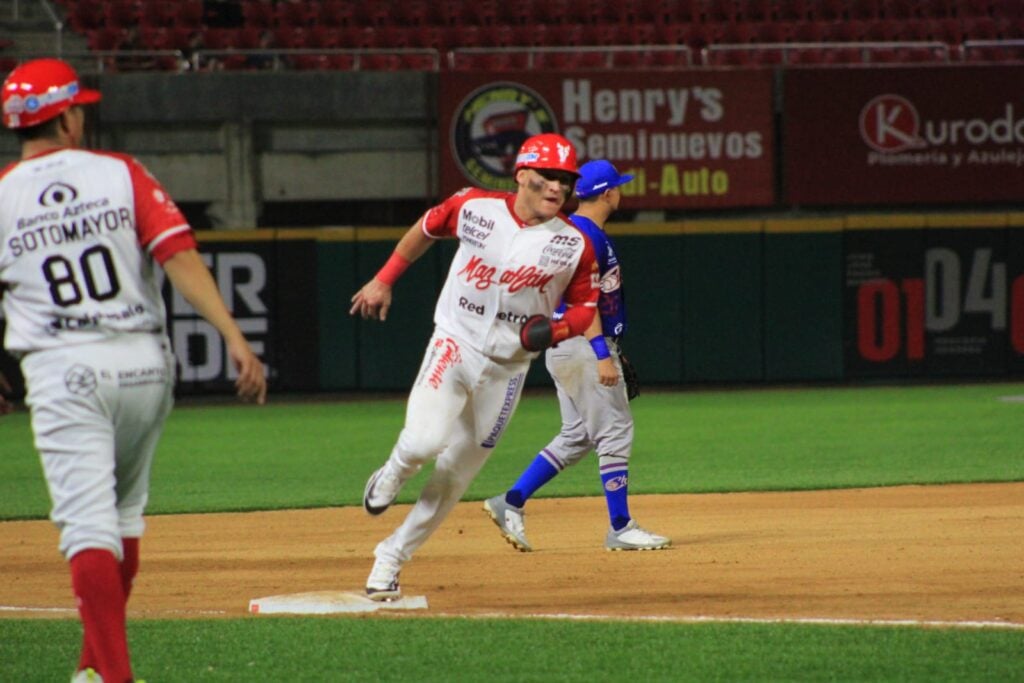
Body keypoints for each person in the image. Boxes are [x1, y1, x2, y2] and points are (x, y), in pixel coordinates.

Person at [0, 58, 267, 683]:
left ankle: (115, 679)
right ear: (66, 117)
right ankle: (93, 669)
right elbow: (177, 254)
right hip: (146, 366)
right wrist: (234, 338)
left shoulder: (3, 194)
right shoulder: (119, 172)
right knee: (123, 518)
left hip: (64, 369)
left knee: (89, 527)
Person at [350, 133, 600, 600]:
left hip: (508, 371)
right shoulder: (474, 207)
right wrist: (383, 280)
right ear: (522, 174)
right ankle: (392, 471)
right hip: (455, 344)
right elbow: (425, 228)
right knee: (424, 442)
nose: (557, 188)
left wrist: (560, 331)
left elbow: (587, 305)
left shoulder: (573, 243)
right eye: (548, 177)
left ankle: (390, 558)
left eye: (565, 181)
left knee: (456, 476)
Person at [483, 160, 670, 552]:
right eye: (618, 186)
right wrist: (602, 353)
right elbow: (585, 303)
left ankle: (511, 500)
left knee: (578, 435)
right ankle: (620, 526)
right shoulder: (587, 237)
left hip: (565, 346)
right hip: (584, 344)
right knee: (615, 431)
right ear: (607, 193)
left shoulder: (572, 231)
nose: (621, 191)